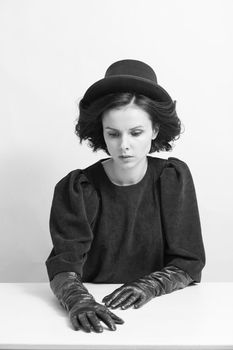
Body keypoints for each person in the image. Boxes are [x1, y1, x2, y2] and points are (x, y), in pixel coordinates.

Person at [45, 59, 206, 333]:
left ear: (154, 131)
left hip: (164, 314)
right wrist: (78, 299)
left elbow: (189, 261)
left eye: (136, 132)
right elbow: (64, 263)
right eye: (113, 134)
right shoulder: (78, 187)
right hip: (98, 312)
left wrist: (151, 285)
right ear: (102, 134)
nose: (125, 146)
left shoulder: (172, 178)